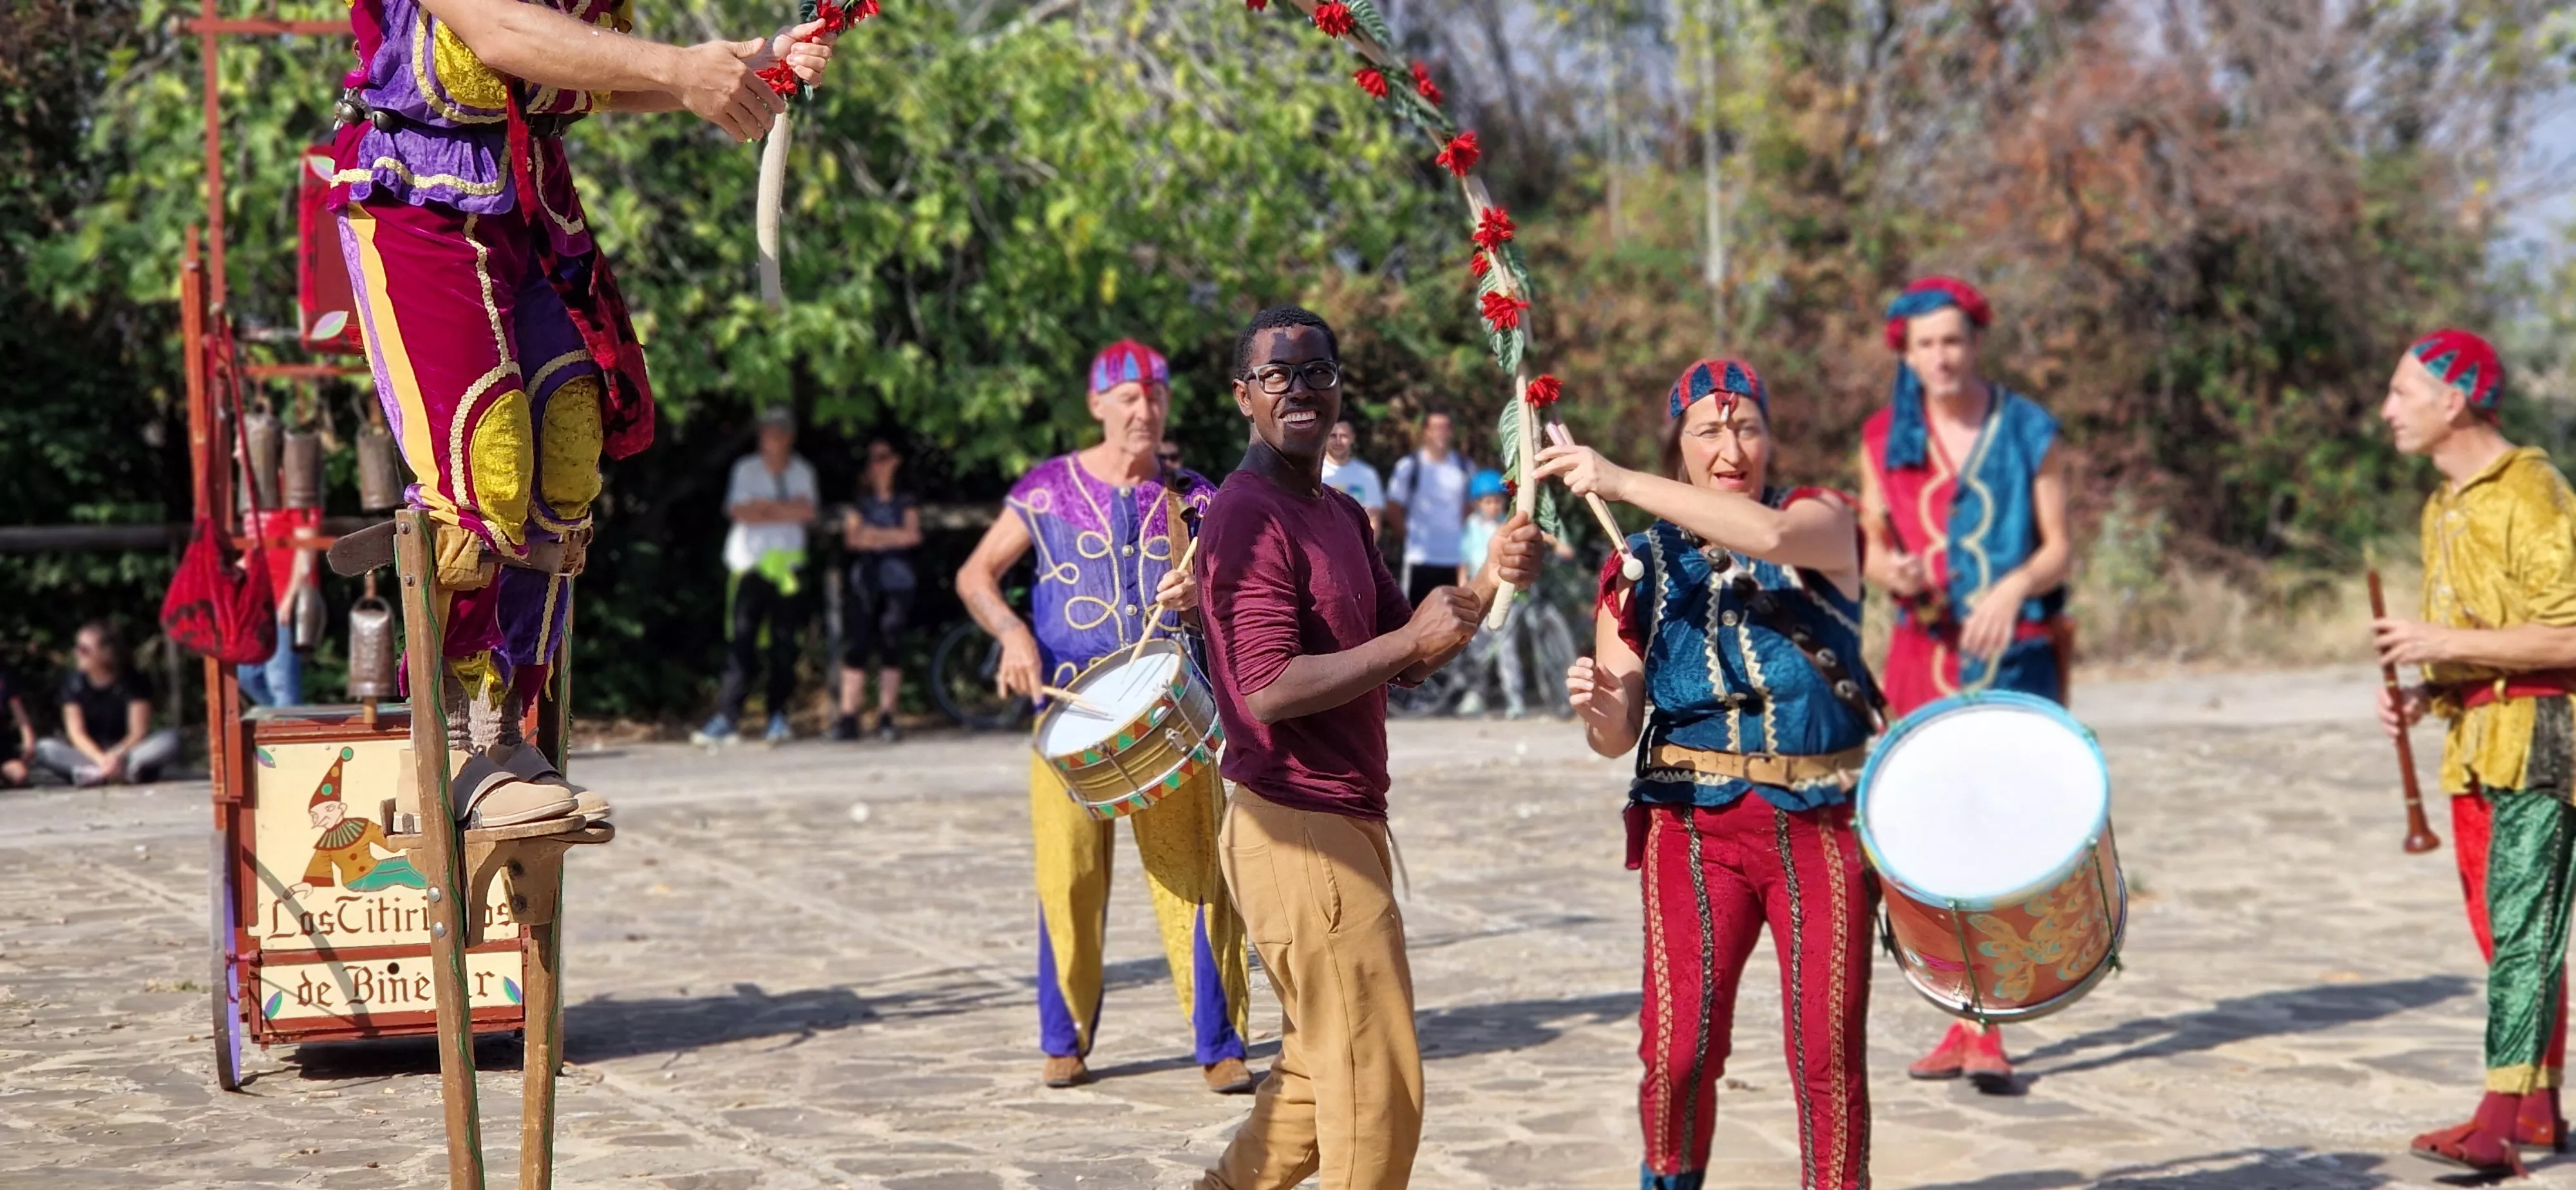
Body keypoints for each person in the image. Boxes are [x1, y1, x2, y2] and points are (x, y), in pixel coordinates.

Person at [329, 0, 837, 817]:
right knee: (482, 468)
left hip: (527, 202)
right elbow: (498, 33)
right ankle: (448, 753)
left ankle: (511, 731)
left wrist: (739, 66)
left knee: (565, 452)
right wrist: (680, 70)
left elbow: (584, 75)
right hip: (418, 198)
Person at [1191, 306, 1542, 1190]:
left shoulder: (1341, 513)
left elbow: (1408, 649)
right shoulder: (1246, 515)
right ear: (1245, 398)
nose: (1301, 388)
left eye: (1318, 371)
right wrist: (1410, 647)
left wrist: (1493, 573)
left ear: (1341, 387)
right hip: (1296, 825)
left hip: (1342, 825)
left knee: (1319, 1077)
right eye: (1278, 375)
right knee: (1376, 1086)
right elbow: (1268, 686)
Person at [1537, 357, 1880, 1190]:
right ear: (1680, 444)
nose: (1733, 447)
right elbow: (1616, 738)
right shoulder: (1637, 564)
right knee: (1678, 1049)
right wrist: (1597, 704)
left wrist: (1619, 478)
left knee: (1827, 1050)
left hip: (1821, 822)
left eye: (1747, 426)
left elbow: (1759, 537)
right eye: (1709, 430)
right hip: (1690, 826)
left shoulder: (1821, 520)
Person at [954, 339, 1258, 1095]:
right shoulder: (1047, 490)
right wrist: (1012, 633)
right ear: (1097, 405)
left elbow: (1245, 592)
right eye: (1127, 397)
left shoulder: (1196, 497)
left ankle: (1219, 1044)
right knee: (1068, 879)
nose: (1143, 409)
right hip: (1069, 714)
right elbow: (975, 574)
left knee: (1196, 879)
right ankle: (1065, 1040)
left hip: (1173, 716)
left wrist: (1205, 598)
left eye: (1154, 395)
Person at [1854, 276, 2071, 1088]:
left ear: (1975, 343)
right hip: (1921, 655)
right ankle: (1964, 1017)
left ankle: (1993, 1022)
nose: (1941, 357)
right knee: (1937, 834)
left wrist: (2013, 588)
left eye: (1953, 341)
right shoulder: (1882, 438)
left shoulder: (2028, 429)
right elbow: (1869, 546)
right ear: (1905, 357)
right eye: (1925, 346)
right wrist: (1894, 571)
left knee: (2006, 833)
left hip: (2012, 661)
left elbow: (2058, 549)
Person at [2374, 329, 2576, 1176]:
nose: (2387, 411)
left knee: (2527, 927)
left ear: (2453, 400)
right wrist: (2433, 687)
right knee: (2503, 930)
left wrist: (2437, 637)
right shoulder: (2442, 504)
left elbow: (2569, 632)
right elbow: (2487, 642)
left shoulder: (2533, 493)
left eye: (2401, 393)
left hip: (2547, 737)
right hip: (2475, 741)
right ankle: (2537, 1111)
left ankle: (2496, 1122)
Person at [700, 406, 820, 745]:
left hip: (787, 569)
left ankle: (778, 716)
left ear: (788, 438)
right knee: (742, 642)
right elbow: (739, 511)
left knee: (784, 644)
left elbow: (807, 511)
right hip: (750, 565)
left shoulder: (803, 472)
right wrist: (783, 509)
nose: (770, 439)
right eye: (766, 432)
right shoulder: (746, 469)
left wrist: (765, 508)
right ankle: (727, 717)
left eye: (777, 433)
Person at [831, 437, 921, 743]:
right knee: (856, 644)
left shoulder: (906, 500)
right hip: (864, 581)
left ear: (895, 462)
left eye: (882, 458)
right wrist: (889, 537)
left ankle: (887, 714)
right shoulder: (860, 502)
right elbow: (853, 539)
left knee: (891, 642)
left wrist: (875, 536)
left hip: (898, 580)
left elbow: (911, 535)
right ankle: (848, 716)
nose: (877, 465)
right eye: (872, 459)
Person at [35, 623, 183, 787]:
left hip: (127, 753)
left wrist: (116, 754)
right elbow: (76, 733)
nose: (77, 654)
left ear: (106, 653)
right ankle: (111, 773)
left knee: (171, 739)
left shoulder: (134, 682)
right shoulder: (72, 684)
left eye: (84, 650)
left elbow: (138, 731)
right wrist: (101, 758)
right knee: (44, 748)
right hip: (90, 755)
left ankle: (100, 774)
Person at [1455, 468, 1527, 719]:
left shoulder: (1507, 528)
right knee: (1477, 650)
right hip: (1478, 595)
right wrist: (1463, 588)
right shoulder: (1471, 527)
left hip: (1504, 597)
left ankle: (1514, 698)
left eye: (1497, 501)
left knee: (1507, 651)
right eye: (1488, 501)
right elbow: (1463, 561)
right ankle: (1477, 696)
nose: (1493, 506)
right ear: (1477, 504)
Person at [1385, 410, 1473, 609]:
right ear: (1426, 431)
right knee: (1415, 621)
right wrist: (1408, 538)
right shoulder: (1409, 466)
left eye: (1446, 428)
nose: (1442, 433)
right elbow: (1393, 508)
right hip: (1420, 559)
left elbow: (1470, 506)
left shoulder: (1464, 466)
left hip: (1456, 560)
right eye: (1436, 428)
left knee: (1456, 624)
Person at [237, 507, 322, 708]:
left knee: (280, 680)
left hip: (285, 600)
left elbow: (306, 548)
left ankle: (288, 726)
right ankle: (283, 721)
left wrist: (290, 599)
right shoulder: (253, 500)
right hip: (258, 605)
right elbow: (253, 554)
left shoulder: (295, 492)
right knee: (247, 675)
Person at [1322, 419, 1387, 539]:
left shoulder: (1367, 474)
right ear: (1325, 437)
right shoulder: (1312, 472)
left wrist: (1367, 552)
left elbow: (1374, 518)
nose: (1338, 441)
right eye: (1333, 436)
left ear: (1352, 438)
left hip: (1357, 548)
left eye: (1344, 436)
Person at [0, 663, 35, 788]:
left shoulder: (4, 677)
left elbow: (20, 714)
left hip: (2, 747)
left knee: (20, 775)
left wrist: (28, 741)